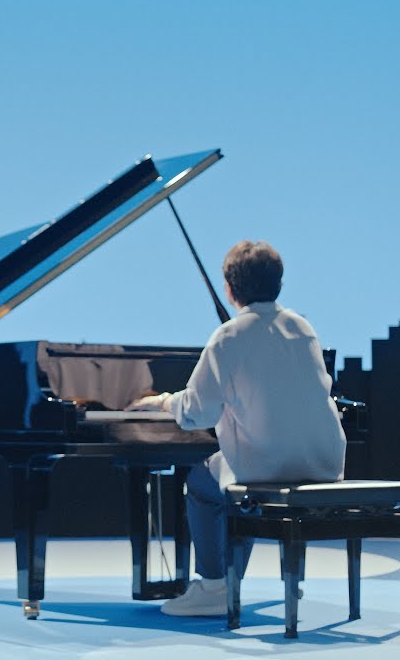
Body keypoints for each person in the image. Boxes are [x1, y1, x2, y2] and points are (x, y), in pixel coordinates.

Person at [126, 240, 345, 617]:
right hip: (324, 462)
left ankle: (214, 586)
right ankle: (231, 583)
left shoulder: (229, 336)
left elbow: (197, 412)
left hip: (269, 465)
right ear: (279, 282)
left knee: (202, 484)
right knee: (229, 472)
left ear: (229, 289)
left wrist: (162, 402)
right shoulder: (302, 327)